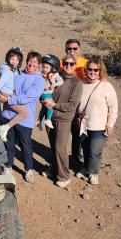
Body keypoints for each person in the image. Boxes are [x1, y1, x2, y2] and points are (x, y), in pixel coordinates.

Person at [0, 51, 45, 183]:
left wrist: (8, 100)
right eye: (30, 61)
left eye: (34, 62)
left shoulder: (39, 80)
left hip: (24, 120)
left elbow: (27, 97)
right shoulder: (17, 74)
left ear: (38, 65)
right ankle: (8, 166)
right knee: (9, 144)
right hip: (8, 114)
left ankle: (28, 169)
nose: (31, 64)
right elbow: (6, 87)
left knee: (26, 146)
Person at [42, 54, 83, 188]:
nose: (68, 66)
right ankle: (55, 170)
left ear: (75, 66)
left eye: (71, 64)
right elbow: (48, 92)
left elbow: (72, 105)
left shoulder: (76, 82)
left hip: (64, 119)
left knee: (60, 148)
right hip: (50, 117)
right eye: (66, 63)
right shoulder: (57, 76)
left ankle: (64, 176)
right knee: (54, 147)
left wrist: (55, 105)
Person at [75, 59, 118, 185]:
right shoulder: (80, 83)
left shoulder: (106, 86)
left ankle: (93, 173)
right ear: (86, 70)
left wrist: (110, 124)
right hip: (82, 124)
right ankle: (86, 168)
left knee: (95, 150)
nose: (92, 72)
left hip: (98, 125)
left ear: (100, 71)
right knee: (85, 148)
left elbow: (113, 106)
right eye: (90, 69)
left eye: (95, 70)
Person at [0, 47, 28, 141]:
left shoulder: (10, 69)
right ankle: (5, 128)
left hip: (10, 94)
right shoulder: (7, 71)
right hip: (6, 95)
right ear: (8, 59)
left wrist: (21, 54)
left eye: (17, 60)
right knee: (25, 113)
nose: (14, 61)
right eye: (12, 59)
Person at [60, 39, 88, 169]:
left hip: (81, 104)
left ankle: (78, 158)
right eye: (69, 49)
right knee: (63, 133)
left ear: (79, 49)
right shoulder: (62, 63)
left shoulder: (86, 64)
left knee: (79, 132)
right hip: (64, 104)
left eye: (74, 48)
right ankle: (61, 159)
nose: (72, 51)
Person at [36, 54, 63, 131]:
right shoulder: (40, 74)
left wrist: (55, 84)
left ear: (53, 68)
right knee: (50, 106)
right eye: (43, 67)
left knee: (44, 108)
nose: (44, 69)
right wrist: (43, 86)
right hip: (44, 93)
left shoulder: (55, 75)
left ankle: (39, 121)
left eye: (47, 68)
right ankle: (48, 119)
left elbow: (61, 81)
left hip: (48, 93)